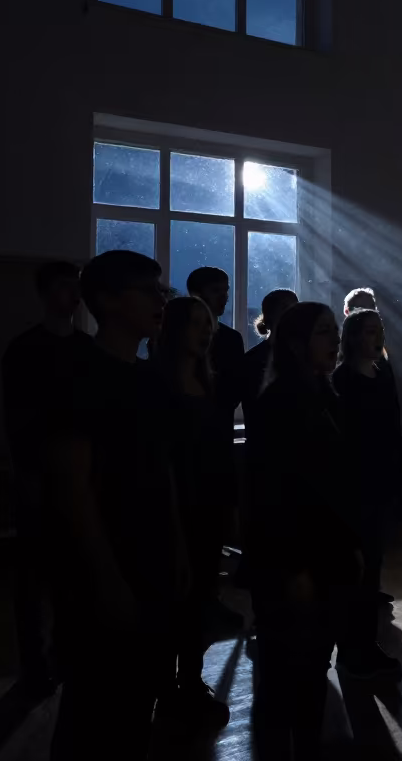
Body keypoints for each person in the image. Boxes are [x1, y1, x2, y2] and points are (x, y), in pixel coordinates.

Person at [46, 250, 182, 761]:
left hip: (150, 559)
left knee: (136, 700)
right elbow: (72, 486)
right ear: (107, 300)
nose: (160, 301)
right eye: (148, 291)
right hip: (104, 564)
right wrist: (106, 577)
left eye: (161, 290)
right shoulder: (77, 372)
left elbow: (162, 470)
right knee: (93, 704)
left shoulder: (148, 377)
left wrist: (178, 548)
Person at [248, 302, 363, 760]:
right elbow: (274, 494)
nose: (335, 340)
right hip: (294, 559)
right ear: (296, 344)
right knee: (286, 672)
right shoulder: (279, 402)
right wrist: (294, 567)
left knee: (314, 665)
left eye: (335, 331)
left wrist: (349, 544)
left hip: (326, 552)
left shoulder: (324, 395)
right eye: (323, 332)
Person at [1, 261, 95, 697]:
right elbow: (18, 422)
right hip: (38, 475)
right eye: (64, 288)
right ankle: (35, 663)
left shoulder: (83, 348)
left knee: (70, 572)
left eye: (76, 288)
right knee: (34, 577)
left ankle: (61, 653)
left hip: (73, 474)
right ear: (44, 293)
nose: (73, 296)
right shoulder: (25, 350)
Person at [151, 296, 232, 730]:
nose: (206, 330)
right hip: (173, 508)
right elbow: (161, 461)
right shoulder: (157, 384)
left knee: (199, 599)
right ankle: (166, 690)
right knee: (173, 604)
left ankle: (191, 680)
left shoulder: (207, 383)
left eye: (209, 323)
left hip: (207, 508)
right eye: (196, 322)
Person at [331, 308, 402, 679]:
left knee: (372, 568)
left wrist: (398, 477)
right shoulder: (342, 379)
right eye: (370, 331)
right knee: (354, 571)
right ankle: (352, 648)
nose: (377, 337)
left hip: (380, 483)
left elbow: (392, 427)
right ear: (353, 337)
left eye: (380, 330)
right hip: (355, 486)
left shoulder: (382, 373)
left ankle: (364, 643)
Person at [187, 267, 245, 420]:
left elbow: (236, 389)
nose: (224, 297)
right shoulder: (231, 338)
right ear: (196, 294)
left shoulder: (232, 338)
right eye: (215, 290)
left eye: (225, 291)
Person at [240, 288, 299, 432]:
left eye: (295, 309)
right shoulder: (253, 360)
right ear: (269, 317)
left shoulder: (306, 356)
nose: (292, 314)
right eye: (285, 308)